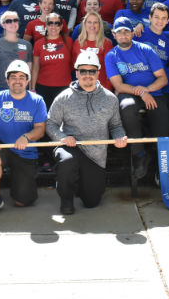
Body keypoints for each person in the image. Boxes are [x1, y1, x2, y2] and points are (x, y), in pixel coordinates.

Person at [46, 51, 128, 214]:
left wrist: (120, 136)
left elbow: (116, 125)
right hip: (71, 147)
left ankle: (80, 185)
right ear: (77, 72)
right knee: (67, 161)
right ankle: (66, 198)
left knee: (92, 201)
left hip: (95, 156)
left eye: (92, 71)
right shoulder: (63, 98)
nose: (87, 75)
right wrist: (62, 137)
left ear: (98, 73)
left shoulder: (110, 98)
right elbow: (51, 124)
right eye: (83, 71)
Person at [0, 60, 47, 217]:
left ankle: (20, 189)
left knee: (23, 202)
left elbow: (40, 129)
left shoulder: (37, 100)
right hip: (2, 146)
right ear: (7, 80)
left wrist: (26, 137)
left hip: (25, 152)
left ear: (28, 81)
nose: (18, 81)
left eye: (22, 77)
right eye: (13, 77)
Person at [105, 17, 169, 180]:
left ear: (133, 33)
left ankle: (160, 165)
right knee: (126, 107)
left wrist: (147, 90)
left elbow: (162, 78)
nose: (124, 35)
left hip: (153, 93)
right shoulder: (111, 56)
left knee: (161, 119)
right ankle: (139, 154)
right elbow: (118, 86)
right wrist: (141, 92)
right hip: (130, 93)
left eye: (127, 31)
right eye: (120, 32)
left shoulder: (145, 49)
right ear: (114, 34)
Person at [138, 3, 169, 135]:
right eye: (156, 17)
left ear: (168, 21)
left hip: (161, 87)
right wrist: (138, 26)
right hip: (139, 84)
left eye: (164, 18)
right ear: (149, 17)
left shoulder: (168, 40)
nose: (160, 21)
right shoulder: (139, 33)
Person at [31, 13, 74, 108]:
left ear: (61, 26)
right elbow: (35, 67)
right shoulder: (38, 43)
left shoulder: (69, 42)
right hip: (43, 87)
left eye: (57, 23)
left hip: (65, 87)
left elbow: (73, 64)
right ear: (46, 25)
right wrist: (32, 88)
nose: (53, 26)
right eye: (50, 23)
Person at [0, 10, 33, 91]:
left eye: (15, 20)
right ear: (3, 25)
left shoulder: (27, 45)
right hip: (0, 89)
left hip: (21, 89)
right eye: (8, 21)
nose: (13, 23)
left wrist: (31, 89)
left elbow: (29, 70)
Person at [72, 10, 114, 91]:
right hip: (81, 89)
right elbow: (74, 68)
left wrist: (107, 89)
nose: (92, 25)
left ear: (100, 25)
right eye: (89, 22)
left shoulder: (107, 43)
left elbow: (110, 69)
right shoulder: (77, 43)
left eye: (95, 22)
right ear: (85, 24)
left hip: (101, 88)